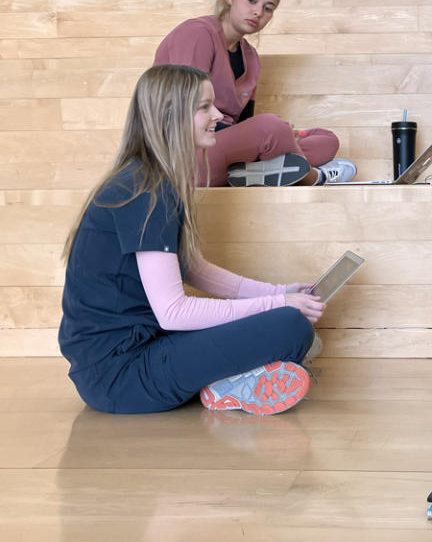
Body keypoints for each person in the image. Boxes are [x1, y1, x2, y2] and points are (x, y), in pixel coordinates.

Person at [58, 64, 326, 415]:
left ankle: (231, 380)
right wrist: (279, 307)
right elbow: (174, 312)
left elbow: (195, 269)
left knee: (293, 324)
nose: (218, 115)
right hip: (121, 377)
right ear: (171, 117)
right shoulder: (144, 190)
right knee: (290, 326)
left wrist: (278, 293)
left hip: (134, 358)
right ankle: (231, 382)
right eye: (204, 107)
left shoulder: (150, 180)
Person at [154, 0, 356, 186]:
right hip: (186, 152)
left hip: (226, 147)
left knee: (326, 140)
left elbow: (245, 122)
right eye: (252, 0)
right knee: (272, 127)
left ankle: (253, 171)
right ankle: (313, 176)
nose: (258, 12)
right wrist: (270, 135)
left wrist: (263, 137)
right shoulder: (197, 33)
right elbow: (185, 112)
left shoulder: (251, 58)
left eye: (268, 8)